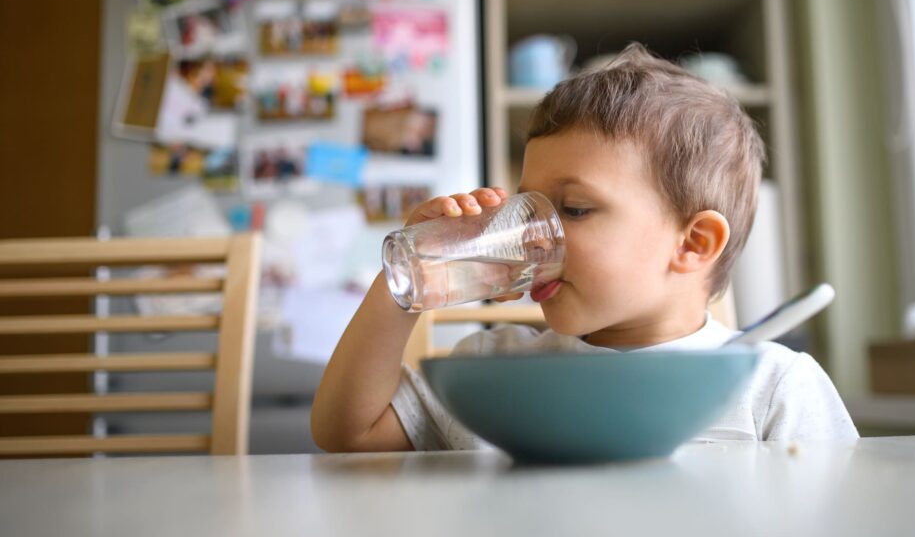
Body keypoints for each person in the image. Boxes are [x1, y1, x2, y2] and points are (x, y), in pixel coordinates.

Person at [311, 44, 858, 452]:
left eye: (573, 209)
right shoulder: (491, 372)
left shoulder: (771, 386)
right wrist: (402, 286)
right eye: (526, 206)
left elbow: (834, 532)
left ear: (692, 244)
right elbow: (348, 435)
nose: (532, 233)